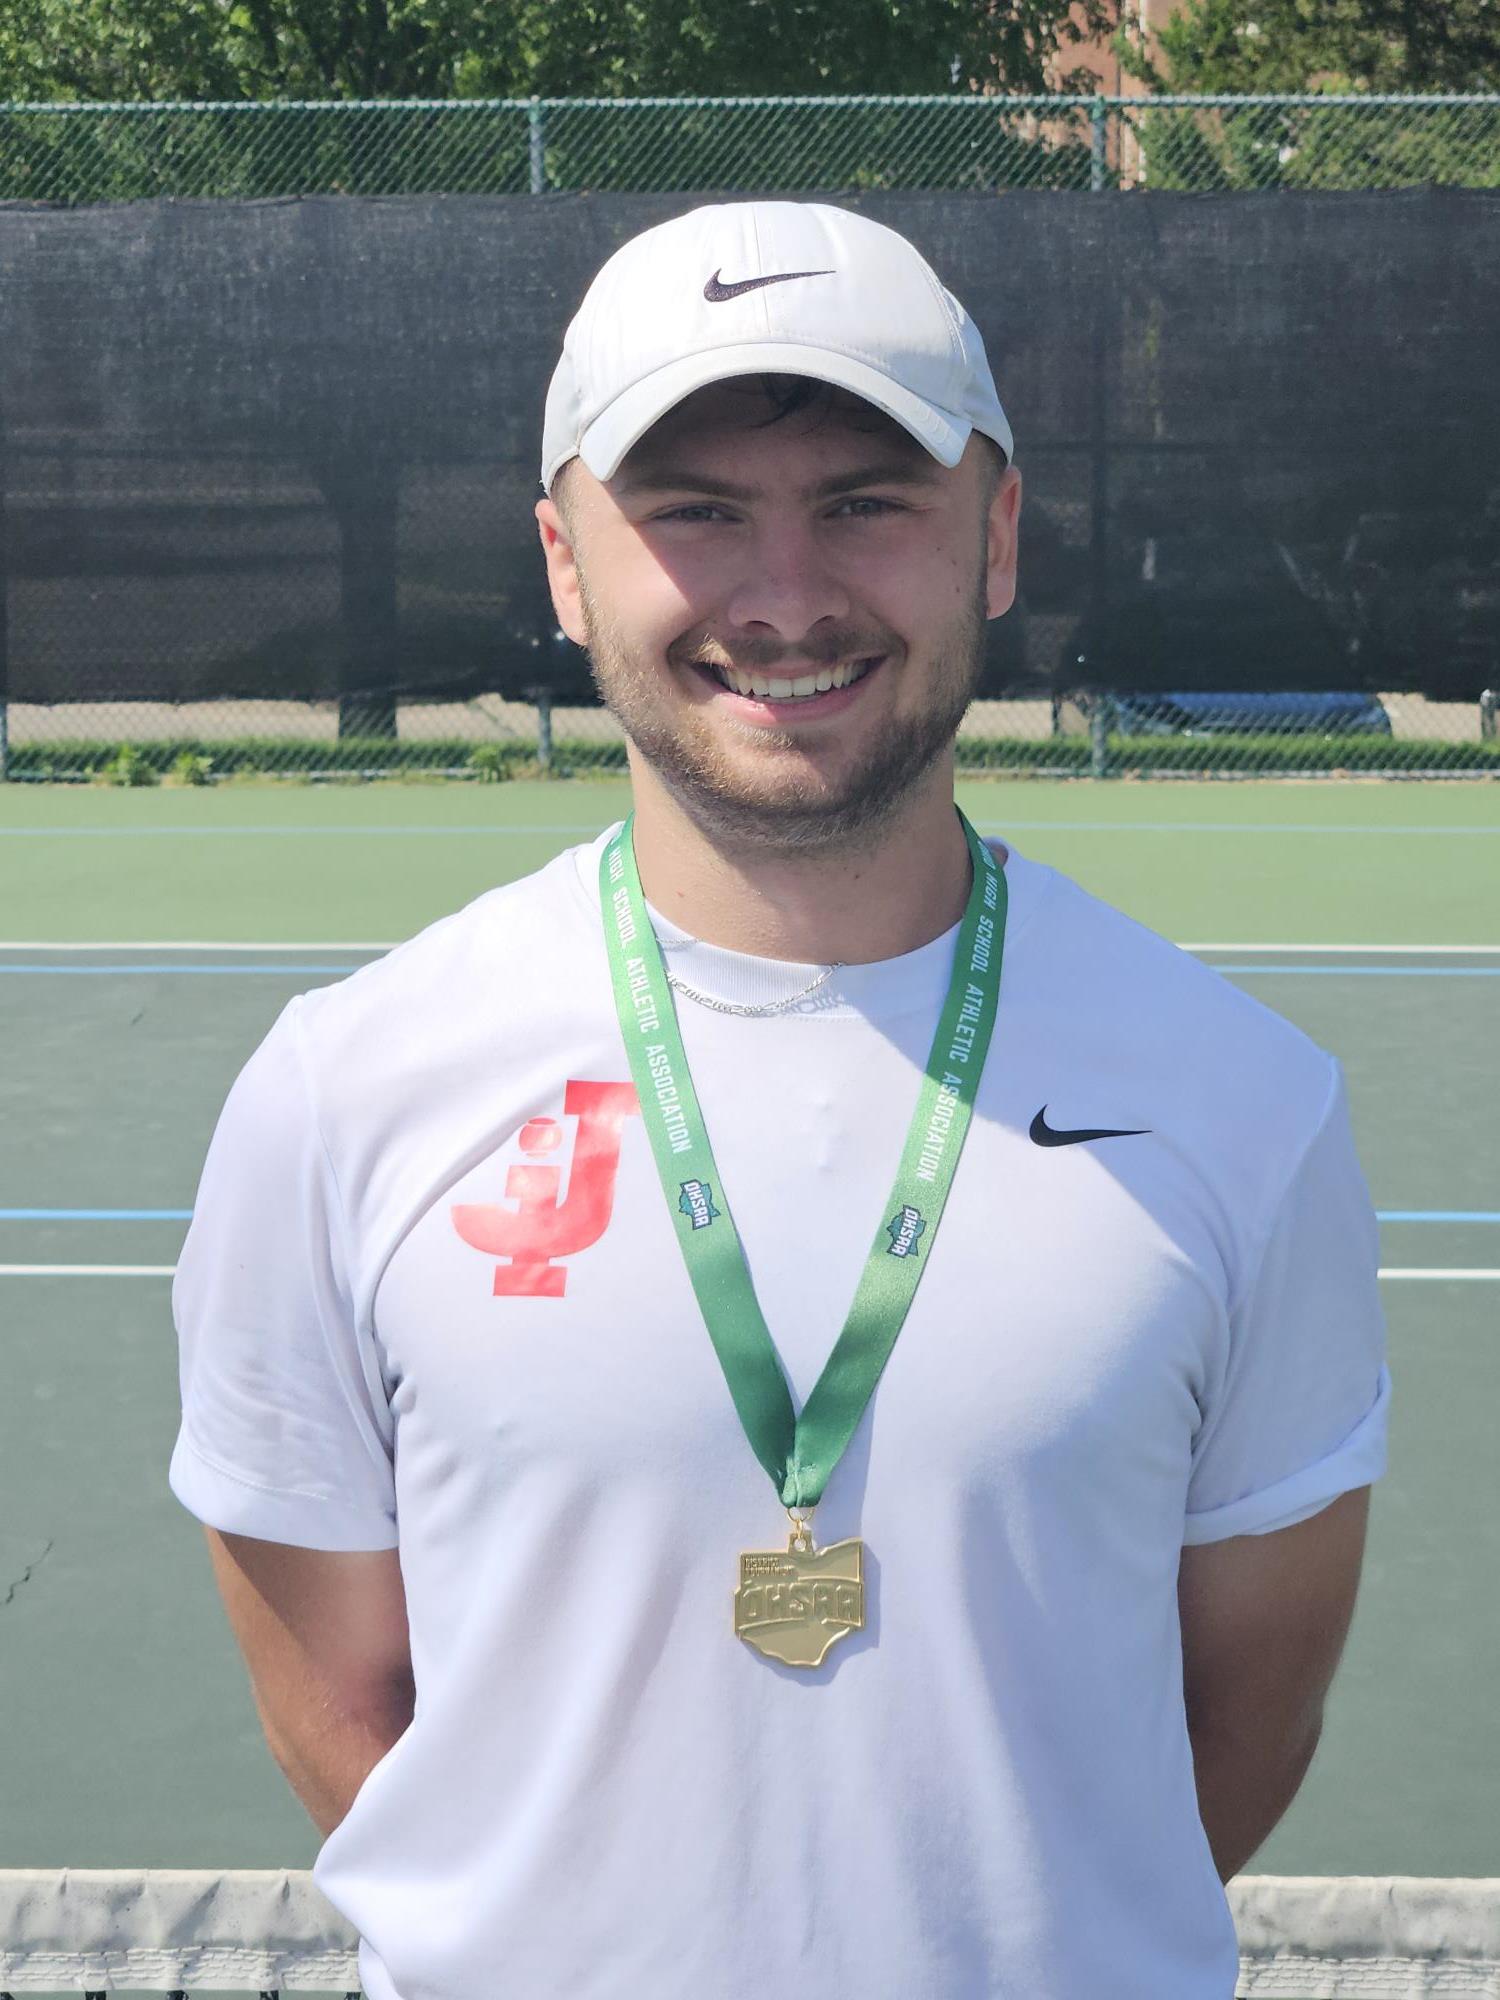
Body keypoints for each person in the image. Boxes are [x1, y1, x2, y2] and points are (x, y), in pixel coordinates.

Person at [169, 201, 1390, 2000]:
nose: (788, 594)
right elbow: (338, 1707)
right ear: (566, 564)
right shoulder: (341, 1094)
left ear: (997, 537)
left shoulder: (1243, 1104)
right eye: (696, 512)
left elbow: (1244, 1718)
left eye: (867, 503)